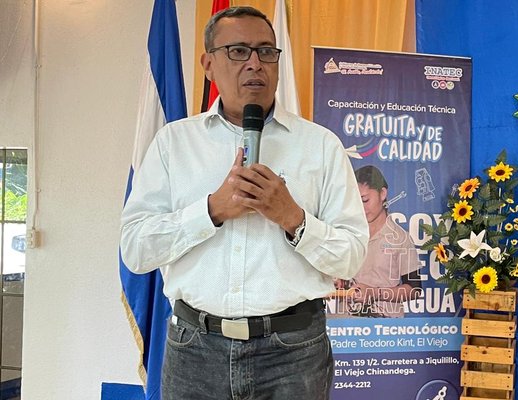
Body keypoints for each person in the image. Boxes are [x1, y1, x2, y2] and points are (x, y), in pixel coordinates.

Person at [119, 6, 368, 400]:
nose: (255, 63)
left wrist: (293, 219)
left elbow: (351, 257)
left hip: (293, 353)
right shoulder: (173, 144)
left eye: (266, 51)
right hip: (194, 350)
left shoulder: (320, 146)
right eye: (238, 51)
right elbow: (135, 250)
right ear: (208, 64)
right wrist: (212, 210)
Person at [336, 165, 422, 318]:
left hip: (385, 332)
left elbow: (415, 289)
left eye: (365, 200)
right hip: (345, 331)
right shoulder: (344, 233)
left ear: (382, 193)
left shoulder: (400, 238)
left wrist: (375, 293)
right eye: (355, 201)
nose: (361, 208)